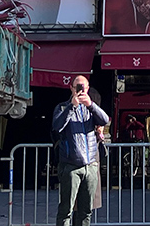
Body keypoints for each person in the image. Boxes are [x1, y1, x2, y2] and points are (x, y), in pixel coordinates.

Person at [52, 76, 110, 226]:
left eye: (83, 87)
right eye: (77, 87)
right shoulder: (62, 107)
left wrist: (90, 104)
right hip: (70, 166)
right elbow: (57, 127)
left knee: (86, 210)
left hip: (90, 165)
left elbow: (104, 120)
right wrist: (72, 106)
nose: (80, 90)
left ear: (88, 88)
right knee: (66, 209)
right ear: (71, 88)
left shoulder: (90, 109)